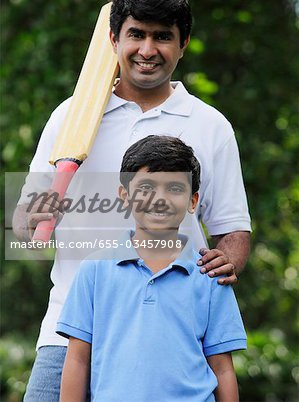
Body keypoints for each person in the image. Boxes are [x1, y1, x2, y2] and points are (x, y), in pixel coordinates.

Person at [12, 0, 251, 401]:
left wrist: (226, 262)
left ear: (184, 43)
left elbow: (233, 230)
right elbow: (23, 228)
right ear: (113, 40)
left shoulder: (211, 126)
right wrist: (32, 220)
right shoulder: (70, 117)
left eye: (162, 36)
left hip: (170, 335)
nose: (147, 50)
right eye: (135, 34)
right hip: (69, 330)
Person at [57, 135, 247, 402]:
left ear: (193, 200)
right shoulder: (94, 270)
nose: (160, 199)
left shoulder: (210, 275)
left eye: (175, 188)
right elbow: (77, 360)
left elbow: (222, 368)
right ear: (125, 195)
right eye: (146, 187)